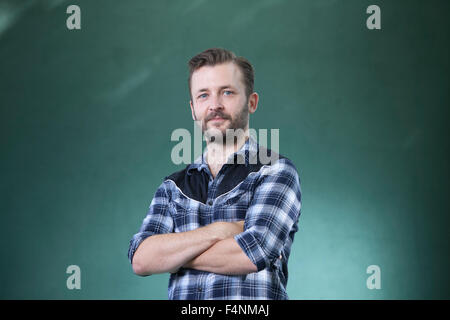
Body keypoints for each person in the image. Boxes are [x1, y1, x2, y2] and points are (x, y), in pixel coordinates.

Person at [128, 48, 302, 300]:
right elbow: (142, 260)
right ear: (193, 109)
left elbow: (254, 252)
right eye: (203, 95)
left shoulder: (275, 171)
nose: (214, 105)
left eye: (227, 92)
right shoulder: (172, 187)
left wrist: (171, 255)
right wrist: (220, 230)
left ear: (251, 102)